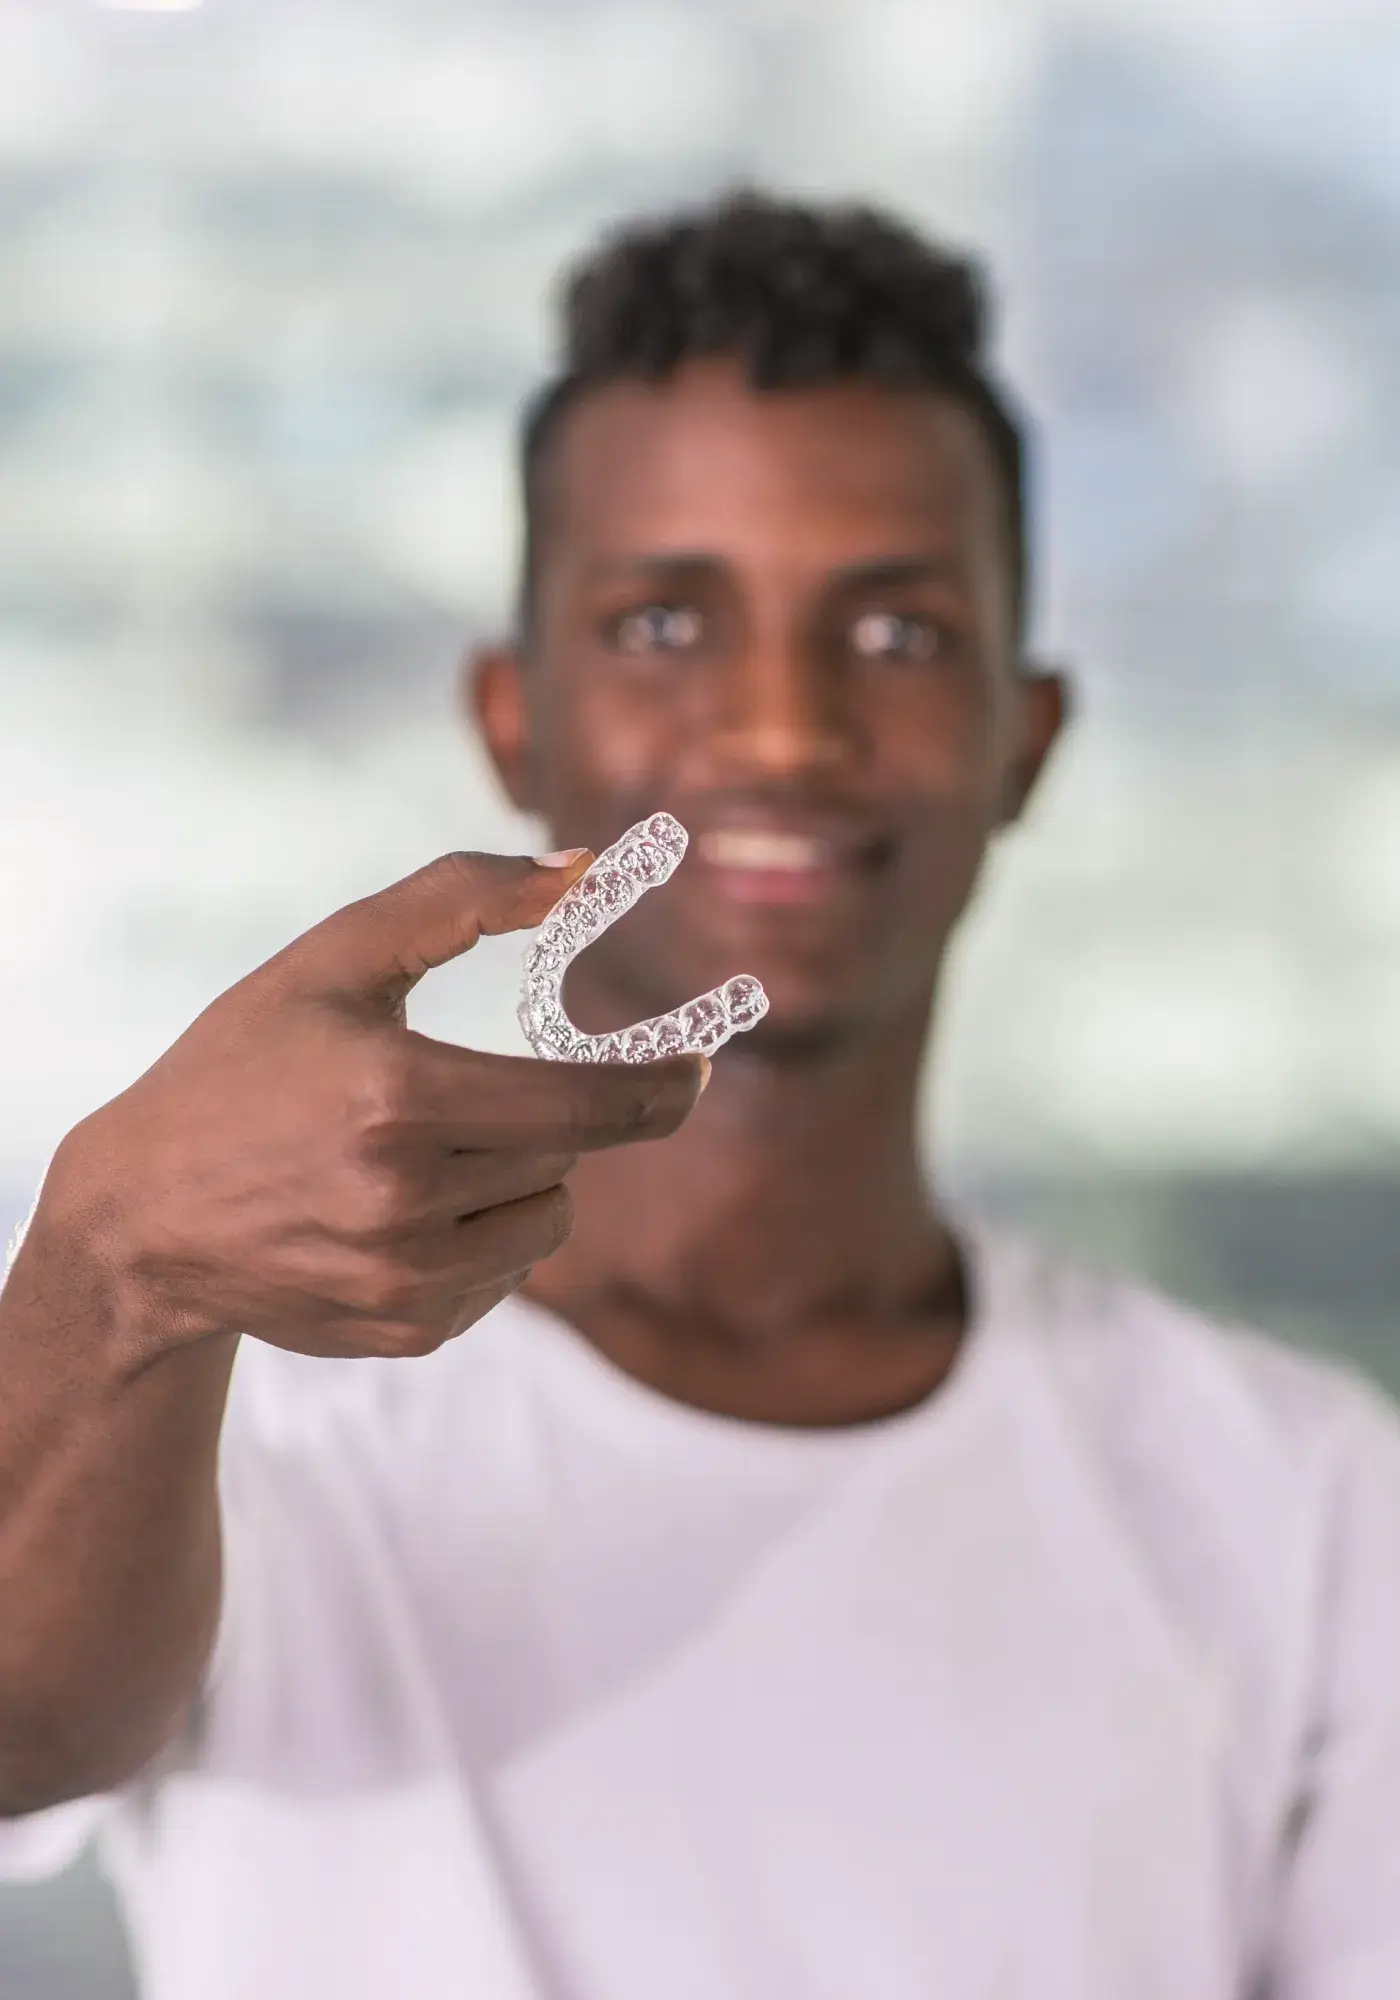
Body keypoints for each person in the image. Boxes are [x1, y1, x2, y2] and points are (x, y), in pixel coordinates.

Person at [0, 191, 1396, 2000]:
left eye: (894, 637)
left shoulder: (1304, 1503)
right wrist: (118, 1272)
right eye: (667, 623)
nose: (782, 730)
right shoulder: (240, 1413)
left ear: (1026, 737)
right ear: (513, 717)